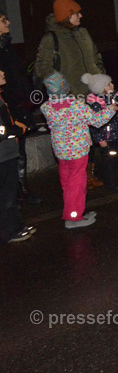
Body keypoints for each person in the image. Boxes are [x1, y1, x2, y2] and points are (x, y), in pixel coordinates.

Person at [34, 0, 105, 189]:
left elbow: (96, 57)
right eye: (76, 13)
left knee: (89, 137)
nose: (81, 16)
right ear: (67, 16)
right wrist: (60, 87)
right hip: (69, 100)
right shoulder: (51, 39)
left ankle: (87, 174)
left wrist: (101, 78)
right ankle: (76, 179)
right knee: (74, 141)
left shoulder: (83, 33)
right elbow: (42, 67)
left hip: (90, 94)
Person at [39, 71, 115, 227]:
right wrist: (111, 108)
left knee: (67, 182)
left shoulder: (46, 107)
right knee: (77, 183)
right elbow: (97, 120)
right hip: (78, 150)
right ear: (66, 88)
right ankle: (73, 217)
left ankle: (74, 210)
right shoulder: (76, 106)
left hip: (61, 151)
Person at [0, 12, 40, 205]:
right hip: (7, 107)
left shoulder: (6, 46)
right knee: (12, 149)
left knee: (19, 148)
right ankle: (15, 192)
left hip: (18, 105)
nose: (8, 23)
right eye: (2, 21)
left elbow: (17, 74)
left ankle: (20, 189)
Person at [81, 73, 118, 193]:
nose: (112, 84)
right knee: (110, 162)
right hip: (107, 138)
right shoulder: (95, 103)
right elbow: (95, 124)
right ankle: (113, 183)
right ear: (101, 88)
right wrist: (101, 140)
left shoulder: (114, 96)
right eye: (108, 84)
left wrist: (113, 96)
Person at [0, 69, 34, 243]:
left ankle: (16, 225)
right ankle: (9, 231)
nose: (3, 72)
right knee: (6, 195)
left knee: (10, 193)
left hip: (7, 153)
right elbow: (1, 130)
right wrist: (17, 130)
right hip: (2, 156)